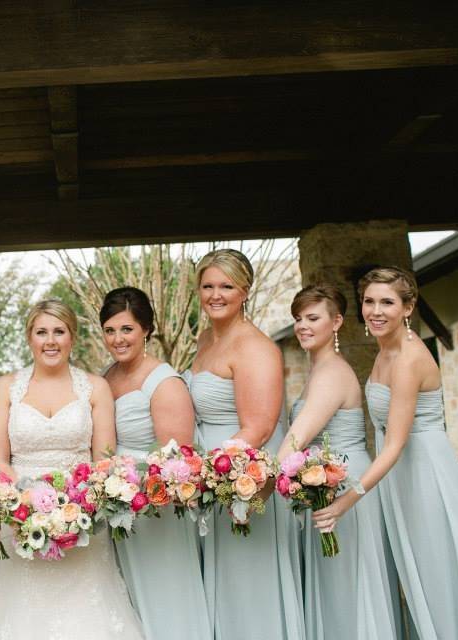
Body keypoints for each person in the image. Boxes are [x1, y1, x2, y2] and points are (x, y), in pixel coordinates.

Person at [311, 267, 458, 639]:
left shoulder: (408, 360)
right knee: (413, 571)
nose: (376, 310)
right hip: (398, 472)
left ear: (408, 306)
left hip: (424, 471)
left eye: (387, 302)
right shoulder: (385, 351)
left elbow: (396, 443)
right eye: (369, 301)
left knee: (439, 570)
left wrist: (344, 502)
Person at [0, 300, 144, 639]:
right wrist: (24, 505)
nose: (50, 341)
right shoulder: (6, 388)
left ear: (72, 337)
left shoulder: (95, 387)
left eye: (59, 331)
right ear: (29, 338)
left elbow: (104, 459)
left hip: (82, 516)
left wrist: (75, 506)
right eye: (42, 332)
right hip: (20, 516)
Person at [185, 249, 304, 639]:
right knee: (221, 580)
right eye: (208, 286)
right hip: (211, 477)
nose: (215, 295)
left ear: (245, 291)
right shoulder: (205, 339)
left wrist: (212, 471)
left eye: (226, 286)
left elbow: (260, 427)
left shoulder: (255, 347)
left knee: (248, 581)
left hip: (243, 481)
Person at [277, 285, 400, 639]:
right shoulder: (320, 369)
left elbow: (296, 440)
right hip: (324, 483)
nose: (302, 326)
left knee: (346, 584)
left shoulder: (331, 373)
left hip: (343, 486)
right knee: (335, 583)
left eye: (312, 318)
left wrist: (253, 477)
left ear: (336, 322)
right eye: (298, 318)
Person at [99, 286, 211, 640]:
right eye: (110, 330)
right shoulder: (106, 376)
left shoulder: (165, 383)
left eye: (127, 329)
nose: (118, 339)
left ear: (146, 329)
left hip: (157, 510)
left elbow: (177, 463)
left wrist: (136, 489)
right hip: (115, 507)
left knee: (164, 596)